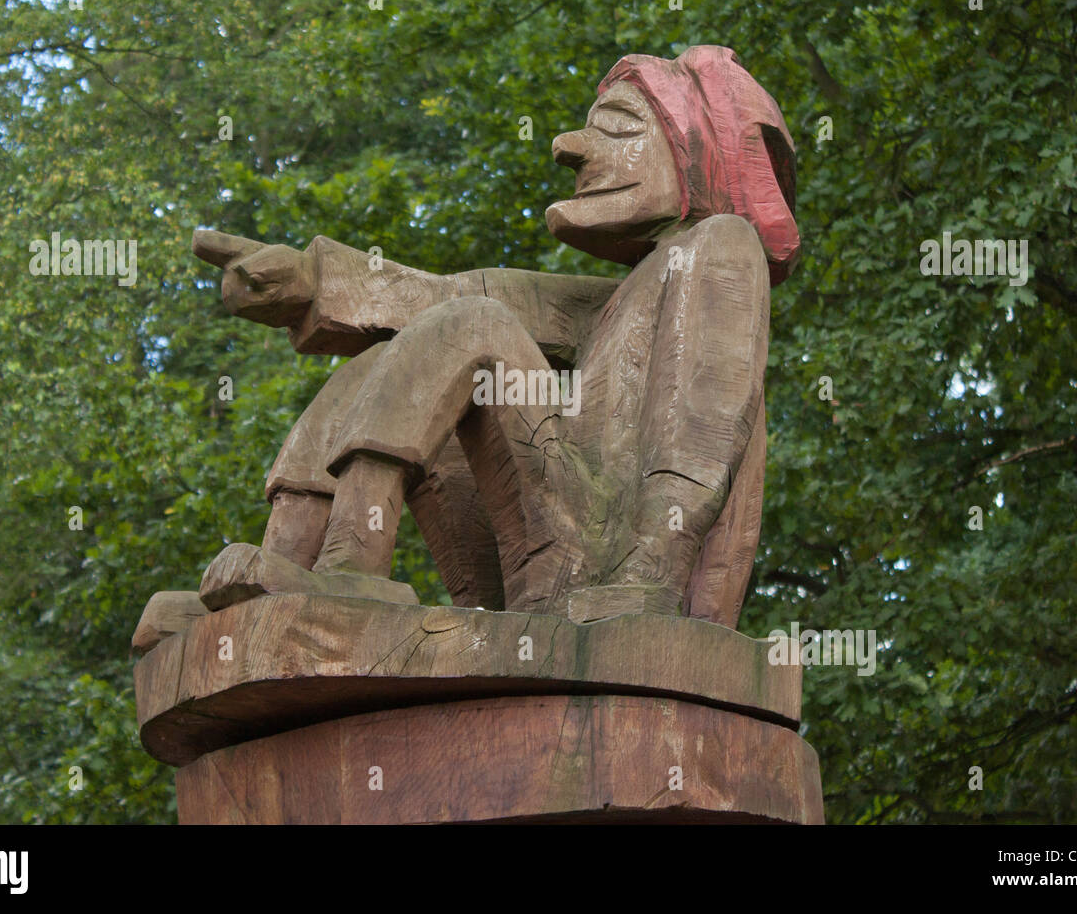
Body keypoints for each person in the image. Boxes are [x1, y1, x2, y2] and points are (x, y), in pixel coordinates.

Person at [192, 45, 799, 626]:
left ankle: (353, 569)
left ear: (700, 153)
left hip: (615, 572)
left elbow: (702, 430)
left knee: (470, 330)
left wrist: (651, 579)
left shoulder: (720, 247)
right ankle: (284, 567)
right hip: (544, 561)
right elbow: (448, 293)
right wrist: (306, 280)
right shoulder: (615, 300)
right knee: (387, 356)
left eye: (616, 128)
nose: (568, 148)